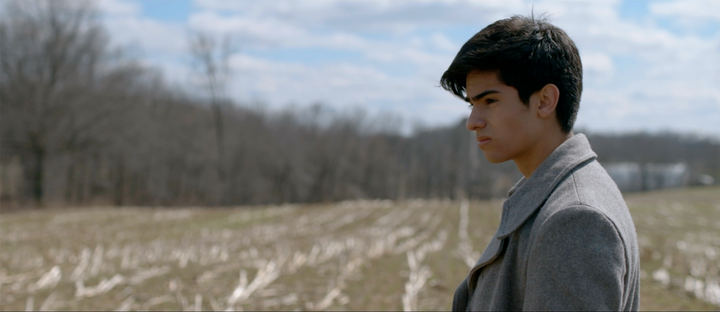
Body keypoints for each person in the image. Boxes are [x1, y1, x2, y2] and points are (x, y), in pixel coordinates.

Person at [440, 15, 640, 311]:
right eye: (472, 104)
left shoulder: (576, 220)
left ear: (545, 100)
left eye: (489, 101)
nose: (473, 122)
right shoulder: (556, 197)